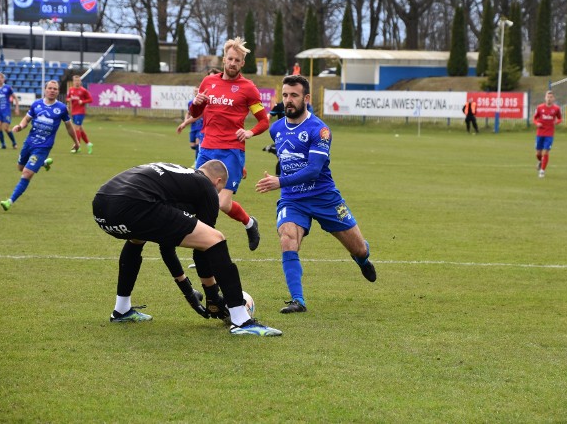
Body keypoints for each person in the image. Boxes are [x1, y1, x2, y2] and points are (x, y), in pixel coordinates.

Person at [92, 160, 282, 336]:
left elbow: (166, 246)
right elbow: (205, 249)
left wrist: (187, 290)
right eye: (220, 190)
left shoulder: (178, 181)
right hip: (133, 203)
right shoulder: (206, 187)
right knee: (215, 239)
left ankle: (121, 310)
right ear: (217, 181)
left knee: (137, 239)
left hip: (102, 205)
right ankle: (242, 321)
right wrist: (212, 296)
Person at [255, 75, 377, 314]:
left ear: (306, 98)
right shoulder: (277, 129)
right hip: (293, 199)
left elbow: (313, 170)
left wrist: (279, 181)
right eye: (286, 95)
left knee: (359, 248)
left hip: (324, 197)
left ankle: (362, 258)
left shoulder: (319, 130)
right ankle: (297, 300)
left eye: (294, 96)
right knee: (287, 237)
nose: (289, 101)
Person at [189, 37, 269, 251]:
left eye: (237, 60)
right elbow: (195, 113)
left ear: (243, 63)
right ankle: (205, 250)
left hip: (231, 151)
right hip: (206, 149)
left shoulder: (248, 88)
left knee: (222, 204)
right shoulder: (209, 83)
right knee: (201, 200)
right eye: (230, 59)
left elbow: (264, 120)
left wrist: (250, 132)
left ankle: (250, 223)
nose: (233, 63)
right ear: (224, 59)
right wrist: (196, 104)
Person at [0, 80, 80, 211]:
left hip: (43, 147)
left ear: (58, 91)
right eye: (50, 88)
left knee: (26, 173)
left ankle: (9, 201)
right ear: (45, 90)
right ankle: (43, 163)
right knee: (20, 167)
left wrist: (76, 142)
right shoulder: (36, 104)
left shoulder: (61, 108)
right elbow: (26, 119)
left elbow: (69, 127)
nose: (52, 90)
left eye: (55, 88)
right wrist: (20, 126)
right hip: (29, 143)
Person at [533, 90, 562, 178]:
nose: (549, 99)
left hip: (549, 134)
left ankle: (542, 171)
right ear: (545, 98)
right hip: (540, 133)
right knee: (538, 153)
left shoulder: (556, 109)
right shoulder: (539, 107)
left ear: (553, 98)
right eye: (547, 97)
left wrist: (556, 122)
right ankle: (540, 161)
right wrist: (537, 123)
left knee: (545, 152)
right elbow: (534, 118)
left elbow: (560, 118)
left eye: (551, 97)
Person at [177, 86, 204, 167]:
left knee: (198, 143)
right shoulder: (190, 103)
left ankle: (197, 162)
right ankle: (199, 158)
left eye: (197, 91)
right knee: (193, 146)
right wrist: (185, 122)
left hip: (201, 127)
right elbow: (188, 113)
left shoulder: (203, 102)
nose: (196, 92)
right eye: (195, 91)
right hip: (193, 127)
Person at [66, 75, 94, 154]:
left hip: (80, 112)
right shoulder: (71, 90)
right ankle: (89, 144)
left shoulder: (83, 90)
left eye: (78, 81)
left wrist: (83, 101)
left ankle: (77, 147)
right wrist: (69, 99)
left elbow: (90, 99)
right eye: (75, 80)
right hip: (74, 112)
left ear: (80, 81)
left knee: (76, 129)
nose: (77, 82)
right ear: (73, 81)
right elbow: (67, 98)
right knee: (80, 129)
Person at [0, 72, 20, 150]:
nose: (0, 79)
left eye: (1, 78)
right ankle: (3, 144)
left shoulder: (8, 88)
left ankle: (14, 143)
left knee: (6, 128)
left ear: (4, 79)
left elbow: (15, 98)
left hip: (6, 111)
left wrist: (17, 108)